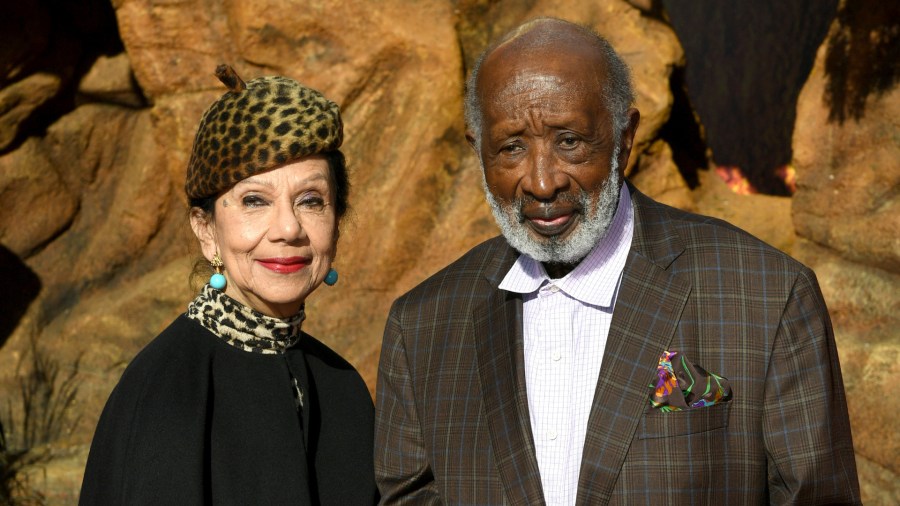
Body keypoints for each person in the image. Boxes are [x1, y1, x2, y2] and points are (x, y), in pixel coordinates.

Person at [374, 18, 860, 505]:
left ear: (625, 138)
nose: (542, 183)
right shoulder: (423, 327)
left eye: (569, 141)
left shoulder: (765, 294)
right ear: (478, 151)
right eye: (512, 148)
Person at [80, 65, 377, 504]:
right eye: (254, 201)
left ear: (337, 221)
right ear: (206, 230)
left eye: (310, 201)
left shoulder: (342, 386)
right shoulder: (166, 391)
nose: (288, 229)